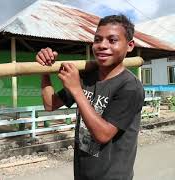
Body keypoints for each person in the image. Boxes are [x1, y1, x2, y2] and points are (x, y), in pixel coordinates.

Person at [36, 14, 145, 180]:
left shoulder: (130, 87)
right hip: (83, 173)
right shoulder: (86, 77)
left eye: (112, 40)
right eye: (98, 39)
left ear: (129, 46)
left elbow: (103, 135)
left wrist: (76, 90)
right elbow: (50, 104)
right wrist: (45, 71)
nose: (102, 45)